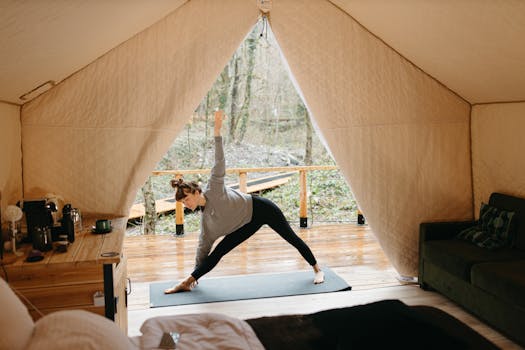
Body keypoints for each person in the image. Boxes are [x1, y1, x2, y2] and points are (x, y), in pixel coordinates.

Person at [164, 111, 324, 294]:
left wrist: (217, 129)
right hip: (245, 224)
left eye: (186, 199)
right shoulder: (206, 223)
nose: (185, 204)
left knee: (291, 238)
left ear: (197, 191)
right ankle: (187, 282)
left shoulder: (214, 188)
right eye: (182, 202)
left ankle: (318, 269)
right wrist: (196, 273)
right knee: (218, 252)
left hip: (261, 209)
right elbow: (203, 248)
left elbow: (219, 160)